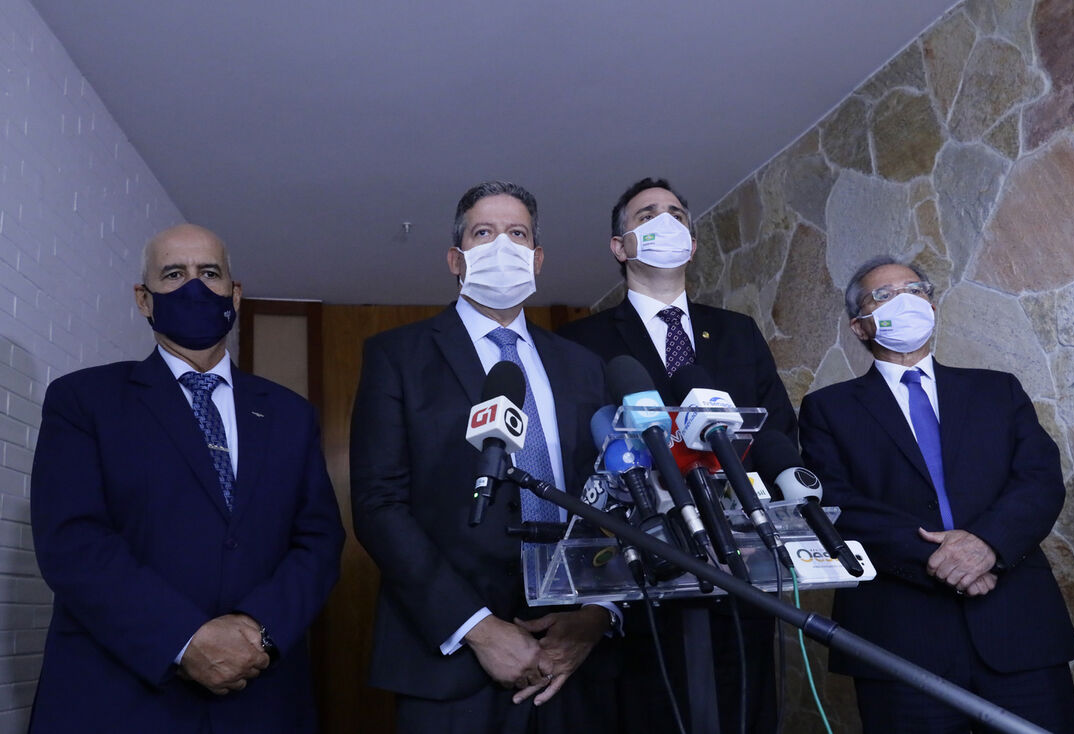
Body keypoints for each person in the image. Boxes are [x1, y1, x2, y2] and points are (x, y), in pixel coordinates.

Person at [29, 224, 345, 732]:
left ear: (234, 294)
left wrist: (255, 631)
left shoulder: (290, 414)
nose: (193, 287)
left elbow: (319, 540)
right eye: (173, 274)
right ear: (144, 299)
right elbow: (72, 540)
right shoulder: (84, 401)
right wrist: (187, 639)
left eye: (210, 273)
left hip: (260, 697)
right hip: (119, 696)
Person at [350, 181, 618, 734]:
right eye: (483, 232)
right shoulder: (397, 357)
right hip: (449, 659)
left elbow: (610, 495)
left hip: (575, 660)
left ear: (537, 259)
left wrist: (598, 614)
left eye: (517, 234)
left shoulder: (584, 366)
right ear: (456, 258)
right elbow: (379, 505)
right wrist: (477, 627)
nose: (503, 246)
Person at [798, 256, 1074, 733]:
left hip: (1018, 628)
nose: (905, 301)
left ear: (931, 305)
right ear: (859, 327)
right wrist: (946, 560)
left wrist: (986, 545)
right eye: (883, 296)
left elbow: (1039, 479)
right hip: (901, 639)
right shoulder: (828, 408)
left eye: (916, 289)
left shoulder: (998, 391)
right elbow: (836, 503)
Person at [558, 177, 797, 733]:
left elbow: (776, 429)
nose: (664, 221)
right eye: (646, 215)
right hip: (643, 586)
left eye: (675, 214)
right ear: (620, 247)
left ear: (691, 242)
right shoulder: (580, 342)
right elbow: (577, 456)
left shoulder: (737, 332)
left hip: (742, 578)